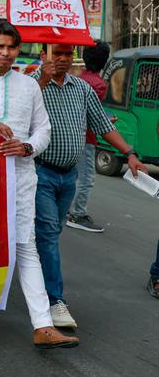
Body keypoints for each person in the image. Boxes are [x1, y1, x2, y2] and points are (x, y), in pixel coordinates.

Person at [0, 20, 78, 349]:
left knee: (25, 245)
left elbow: (43, 129)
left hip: (20, 176)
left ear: (18, 50)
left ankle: (42, 324)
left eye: (11, 47)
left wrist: (27, 147)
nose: (5, 53)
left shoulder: (29, 86)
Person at [31, 43, 145, 330]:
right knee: (46, 233)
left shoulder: (82, 89)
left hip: (68, 176)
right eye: (56, 53)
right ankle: (55, 300)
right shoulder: (31, 85)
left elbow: (103, 125)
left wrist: (130, 153)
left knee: (50, 234)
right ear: (44, 55)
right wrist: (42, 79)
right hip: (38, 173)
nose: (62, 59)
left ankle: (34, 275)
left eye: (67, 54)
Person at [68, 42, 111, 232]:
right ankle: (77, 214)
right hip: (86, 138)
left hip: (70, 136)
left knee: (73, 176)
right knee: (86, 178)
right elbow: (92, 115)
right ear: (104, 61)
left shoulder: (78, 79)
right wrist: (108, 122)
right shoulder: (99, 84)